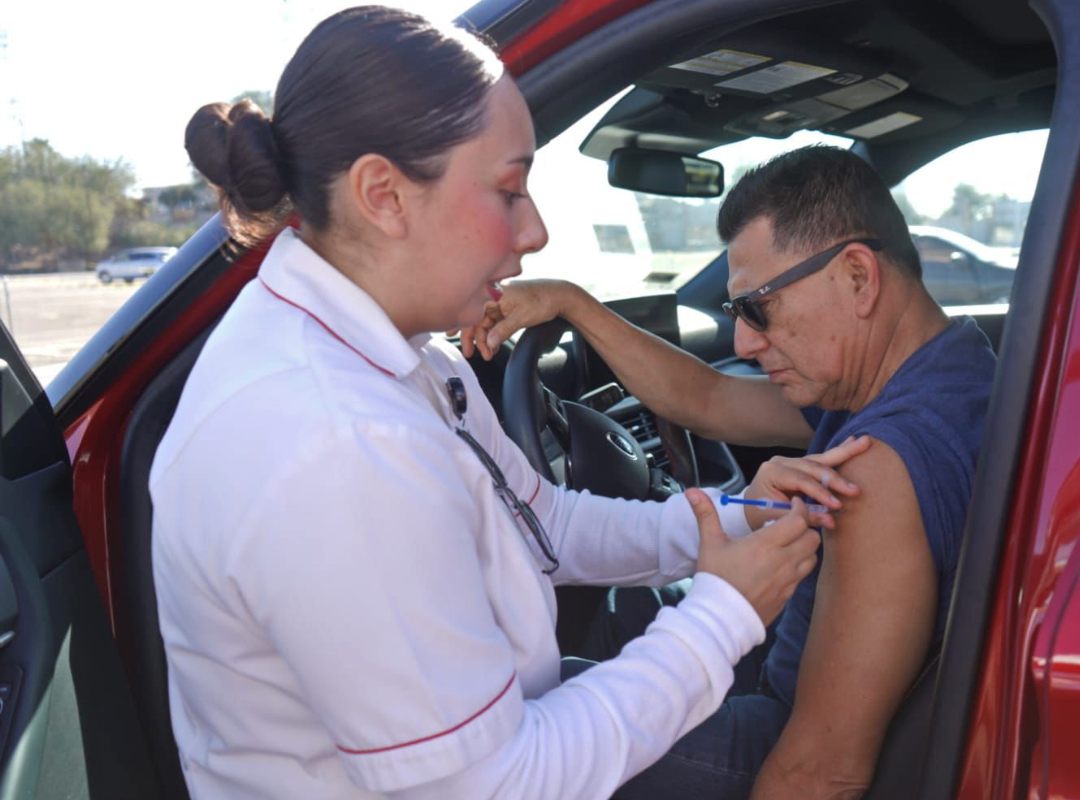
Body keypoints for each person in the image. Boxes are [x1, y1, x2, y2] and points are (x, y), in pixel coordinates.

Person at [150, 8, 844, 799]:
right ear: (384, 194)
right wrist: (723, 615)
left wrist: (726, 519)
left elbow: (540, 522)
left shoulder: (397, 355)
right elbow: (495, 786)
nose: (538, 230)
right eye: (509, 190)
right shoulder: (334, 445)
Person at [461, 145, 999, 798]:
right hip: (777, 674)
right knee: (579, 671)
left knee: (520, 743)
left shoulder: (880, 465)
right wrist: (573, 304)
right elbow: (709, 400)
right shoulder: (944, 376)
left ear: (858, 277)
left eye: (758, 308)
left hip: (779, 729)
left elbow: (821, 771)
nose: (744, 342)